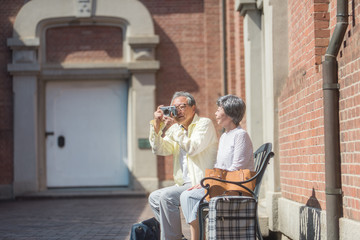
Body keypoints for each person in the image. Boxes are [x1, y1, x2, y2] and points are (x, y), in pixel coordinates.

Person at [180, 94, 254, 240]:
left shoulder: (241, 135)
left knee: (192, 202)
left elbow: (236, 168)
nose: (216, 113)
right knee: (187, 195)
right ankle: (199, 237)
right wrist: (206, 181)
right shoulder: (225, 136)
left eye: (219, 109)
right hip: (223, 185)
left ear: (230, 113)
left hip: (235, 188)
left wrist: (211, 183)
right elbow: (218, 166)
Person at [148, 91, 218, 240]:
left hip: (202, 183)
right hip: (184, 184)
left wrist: (174, 129)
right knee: (154, 197)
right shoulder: (177, 129)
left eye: (182, 106)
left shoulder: (204, 124)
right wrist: (157, 127)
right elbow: (159, 149)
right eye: (174, 108)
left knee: (167, 196)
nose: (178, 111)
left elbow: (193, 148)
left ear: (193, 108)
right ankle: (177, 237)